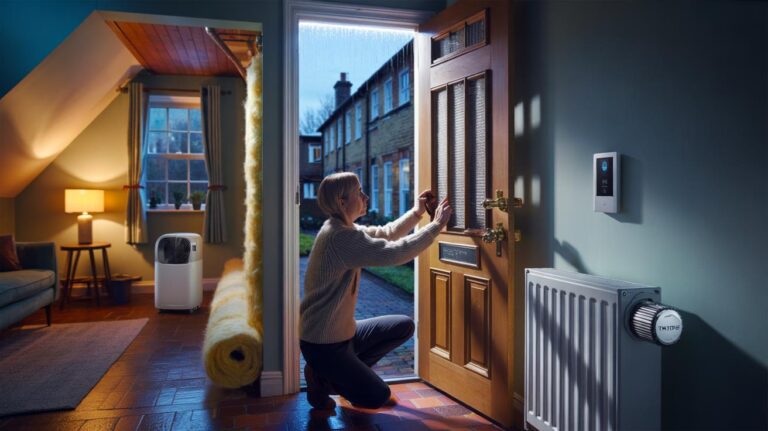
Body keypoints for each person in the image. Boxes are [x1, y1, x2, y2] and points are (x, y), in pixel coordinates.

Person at [299, 172, 452, 409]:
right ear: (342, 201)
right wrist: (436, 226)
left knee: (402, 325)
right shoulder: (339, 237)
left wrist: (417, 212)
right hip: (324, 344)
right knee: (377, 396)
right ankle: (323, 377)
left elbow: (386, 234)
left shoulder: (342, 227)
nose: (365, 196)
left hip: (344, 335)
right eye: (359, 192)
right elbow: (394, 253)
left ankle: (339, 373)